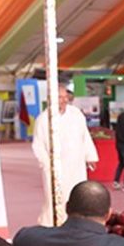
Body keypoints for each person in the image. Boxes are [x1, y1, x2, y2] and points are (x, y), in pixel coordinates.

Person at [33, 84, 98, 226]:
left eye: (65, 97)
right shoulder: (43, 119)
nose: (63, 100)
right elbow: (38, 146)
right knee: (54, 200)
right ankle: (51, 227)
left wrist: (90, 156)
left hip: (76, 166)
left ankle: (76, 226)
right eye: (59, 97)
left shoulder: (76, 114)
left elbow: (85, 136)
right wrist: (46, 165)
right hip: (55, 169)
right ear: (50, 99)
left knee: (78, 196)